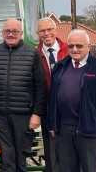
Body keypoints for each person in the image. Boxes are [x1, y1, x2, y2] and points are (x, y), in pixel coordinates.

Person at [48, 30, 96, 172]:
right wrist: (52, 124)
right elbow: (52, 97)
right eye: (71, 46)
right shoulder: (59, 66)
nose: (74, 49)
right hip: (64, 130)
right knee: (66, 168)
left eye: (79, 46)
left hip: (90, 130)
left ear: (88, 46)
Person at [0, 19, 47, 172]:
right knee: (7, 154)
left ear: (21, 33)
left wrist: (36, 114)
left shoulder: (33, 53)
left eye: (15, 31)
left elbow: (41, 86)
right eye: (7, 31)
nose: (11, 34)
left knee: (21, 154)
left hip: (23, 114)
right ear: (2, 33)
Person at [35, 17, 67, 172]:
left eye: (50, 29)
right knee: (52, 152)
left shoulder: (70, 49)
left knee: (72, 150)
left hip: (71, 110)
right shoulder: (34, 55)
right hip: (48, 110)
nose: (46, 33)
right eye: (42, 30)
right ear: (37, 33)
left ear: (56, 30)